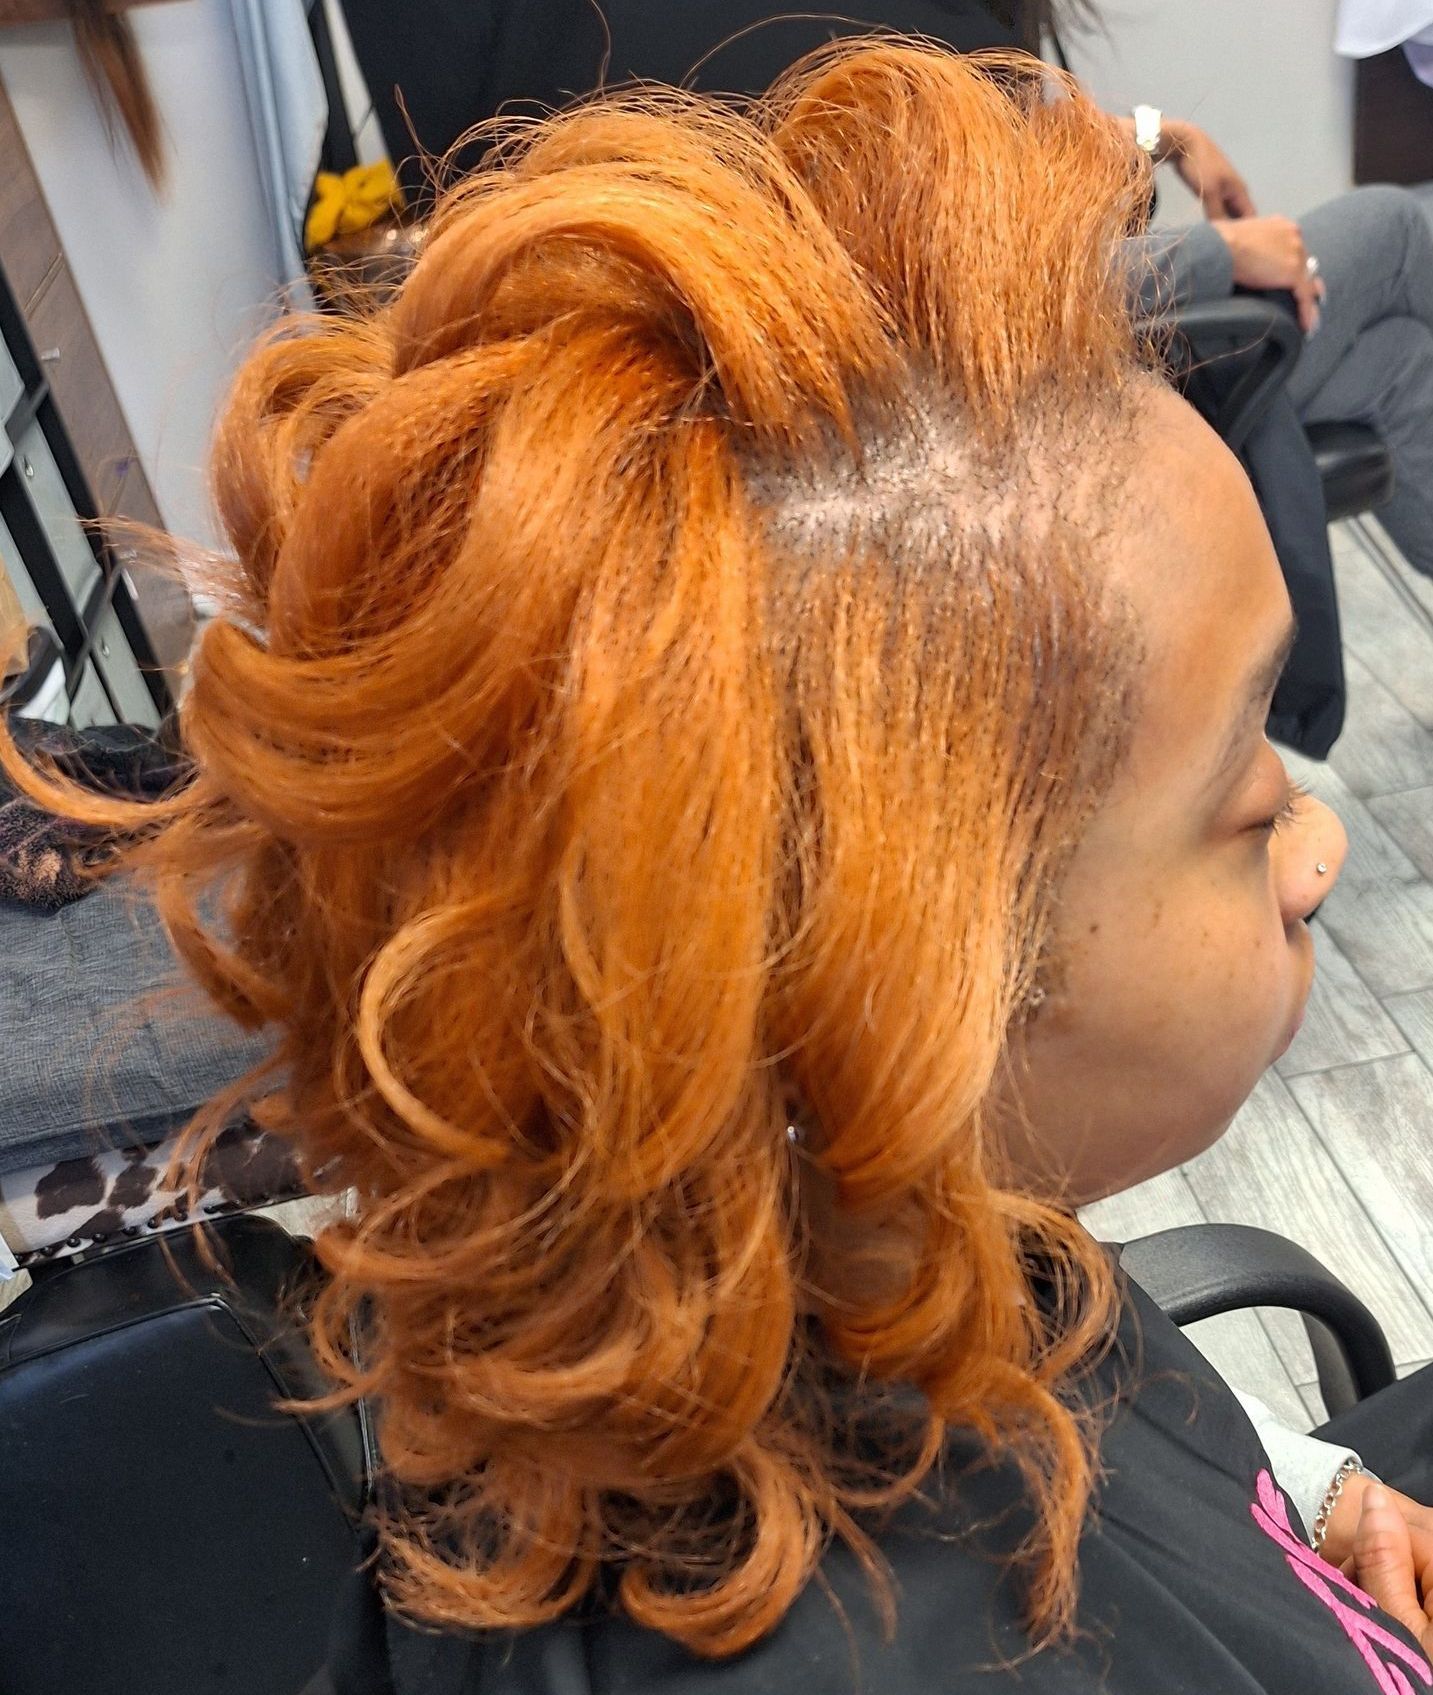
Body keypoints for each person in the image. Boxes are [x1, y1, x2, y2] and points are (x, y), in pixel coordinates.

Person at [8, 37, 1433, 1695]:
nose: (1316, 847)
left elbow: (1065, 1365)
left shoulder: (878, 1213)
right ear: (894, 988)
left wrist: (1303, 1484)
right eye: (1250, 796)